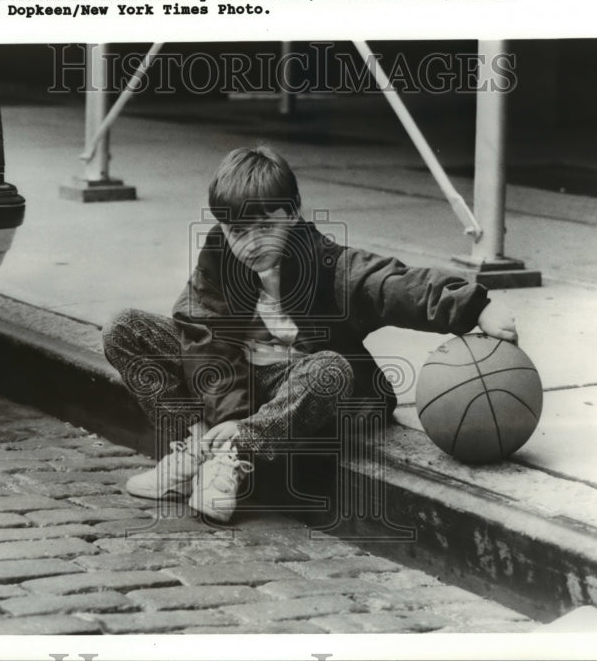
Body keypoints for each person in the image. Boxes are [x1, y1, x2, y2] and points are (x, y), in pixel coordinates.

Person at [103, 145, 517, 523]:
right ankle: (200, 449)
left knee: (328, 369)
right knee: (125, 329)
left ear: (294, 211)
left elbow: (395, 285)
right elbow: (204, 338)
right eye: (236, 230)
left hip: (304, 390)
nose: (250, 243)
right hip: (239, 386)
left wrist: (476, 306)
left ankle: (236, 454)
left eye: (264, 225)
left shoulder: (328, 264)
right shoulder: (219, 262)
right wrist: (226, 417)